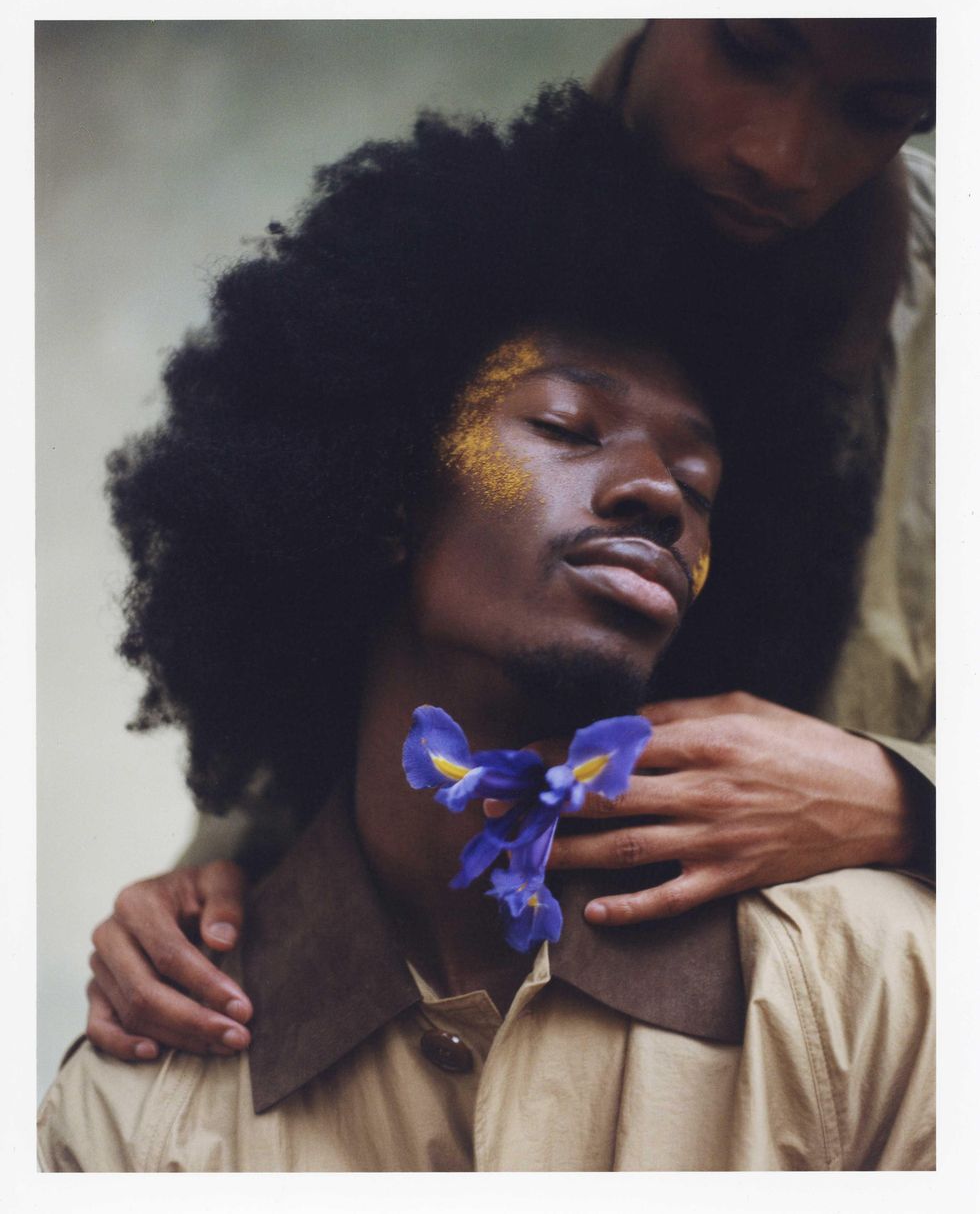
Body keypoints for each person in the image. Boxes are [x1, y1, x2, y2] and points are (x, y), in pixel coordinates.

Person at [37, 87, 934, 1170]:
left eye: (699, 485)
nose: (659, 494)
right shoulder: (131, 1113)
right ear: (381, 494)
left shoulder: (881, 985)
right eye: (568, 426)